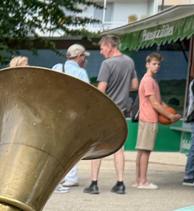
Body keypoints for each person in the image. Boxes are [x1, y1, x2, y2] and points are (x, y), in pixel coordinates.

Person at [85, 35, 137, 196]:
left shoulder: (107, 64)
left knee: (97, 147)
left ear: (109, 47)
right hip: (121, 111)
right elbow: (135, 85)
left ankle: (94, 183)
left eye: (102, 48)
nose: (101, 52)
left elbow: (101, 90)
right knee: (119, 148)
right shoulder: (129, 61)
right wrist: (121, 90)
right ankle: (120, 183)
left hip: (106, 111)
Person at [134, 52, 179, 190]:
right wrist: (170, 116)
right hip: (148, 118)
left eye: (158, 64)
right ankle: (143, 181)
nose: (157, 66)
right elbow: (154, 104)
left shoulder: (152, 80)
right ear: (147, 65)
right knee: (145, 150)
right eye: (154, 64)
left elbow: (159, 101)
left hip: (147, 118)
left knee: (142, 150)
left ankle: (138, 180)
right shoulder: (148, 81)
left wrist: (171, 111)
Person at [51, 43, 90, 192]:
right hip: (73, 114)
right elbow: (86, 96)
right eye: (84, 57)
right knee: (71, 146)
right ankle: (70, 178)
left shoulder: (57, 68)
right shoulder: (81, 73)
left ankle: (57, 178)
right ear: (79, 56)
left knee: (56, 146)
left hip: (56, 112)